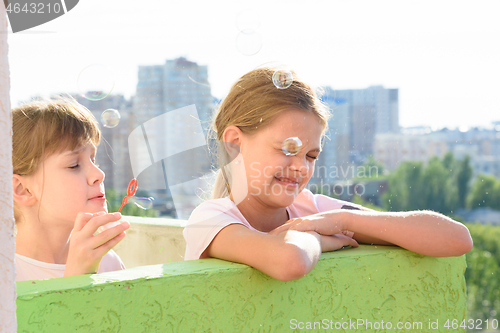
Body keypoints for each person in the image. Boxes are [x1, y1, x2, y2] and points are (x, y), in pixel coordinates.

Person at [183, 67, 473, 282]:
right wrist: (319, 238)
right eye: (287, 149)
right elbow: (290, 261)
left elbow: (457, 238)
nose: (301, 167)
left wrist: (342, 219)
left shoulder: (313, 210)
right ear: (235, 144)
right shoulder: (210, 219)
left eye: (311, 156)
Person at [12, 97, 130, 281]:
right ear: (22, 190)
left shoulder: (107, 262)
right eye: (74, 165)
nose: (99, 174)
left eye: (93, 159)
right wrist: (76, 279)